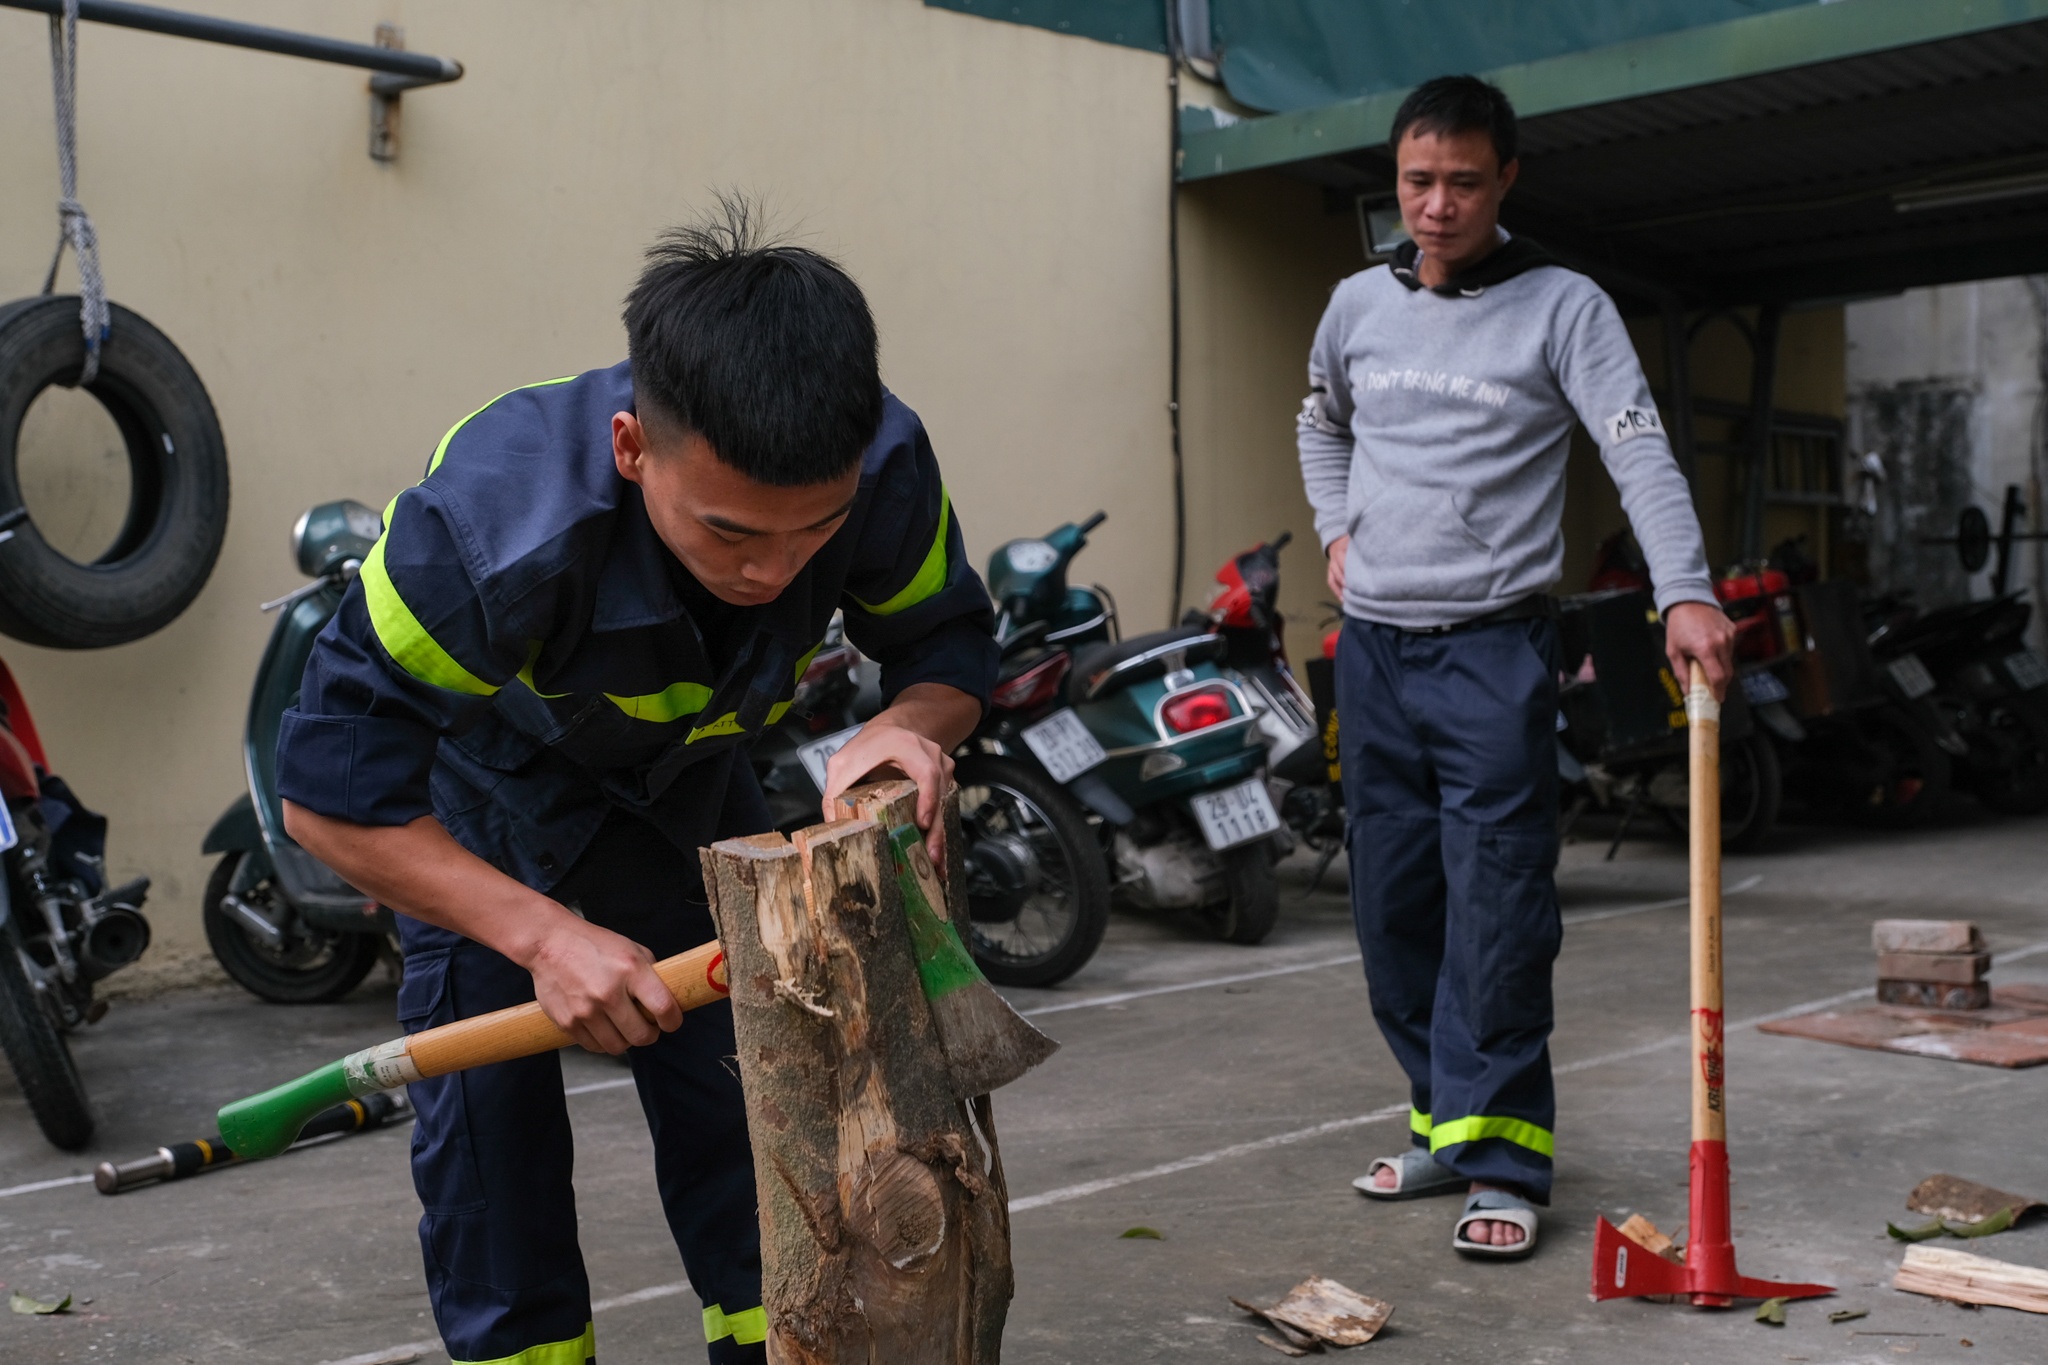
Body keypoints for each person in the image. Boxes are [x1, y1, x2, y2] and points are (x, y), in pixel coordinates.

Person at [276, 202, 997, 1364]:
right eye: (730, 534)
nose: (773, 572)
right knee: (493, 1153)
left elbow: (948, 648)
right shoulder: (487, 534)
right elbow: (326, 794)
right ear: (630, 448)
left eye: (811, 533)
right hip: (483, 805)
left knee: (756, 1119)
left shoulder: (882, 463)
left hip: (690, 796)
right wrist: (542, 936)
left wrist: (907, 729)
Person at [1295, 76, 1734, 1260]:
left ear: (1506, 180)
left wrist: (1683, 589)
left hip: (1492, 649)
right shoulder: (1354, 304)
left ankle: (1503, 1158)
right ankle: (1443, 1124)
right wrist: (1334, 525)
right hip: (1371, 653)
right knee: (1392, 905)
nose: (1436, 207)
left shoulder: (1563, 307)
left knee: (1495, 909)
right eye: (1416, 182)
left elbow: (1635, 451)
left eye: (1462, 183)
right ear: (1394, 179)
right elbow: (1320, 421)